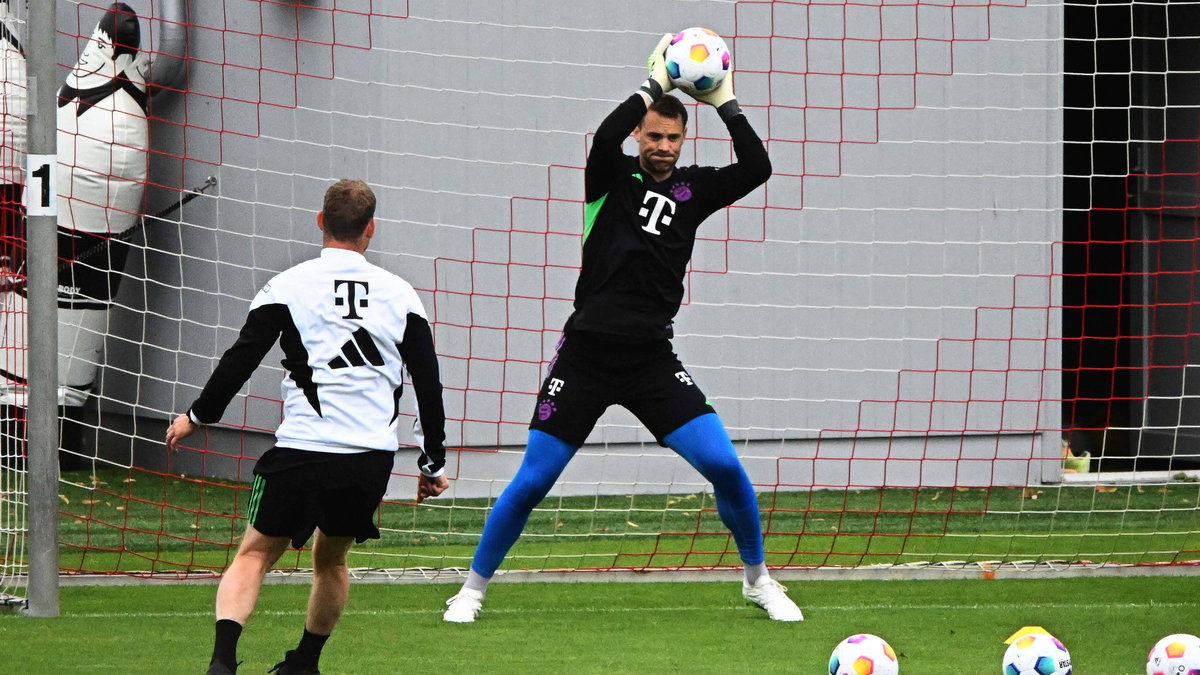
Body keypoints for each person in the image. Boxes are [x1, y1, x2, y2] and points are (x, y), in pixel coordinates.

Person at [442, 35, 803, 623]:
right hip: (585, 356)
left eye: (672, 137)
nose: (662, 146)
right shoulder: (608, 174)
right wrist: (656, 85)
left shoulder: (694, 189)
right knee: (533, 480)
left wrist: (726, 101)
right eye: (654, 135)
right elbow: (605, 136)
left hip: (650, 361)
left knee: (726, 467)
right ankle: (473, 590)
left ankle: (758, 579)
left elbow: (758, 167)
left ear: (684, 140)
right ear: (640, 135)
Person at [165, 179, 451, 674]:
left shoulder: (288, 285)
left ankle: (222, 664)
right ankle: (304, 664)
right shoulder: (402, 296)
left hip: (301, 451)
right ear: (371, 230)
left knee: (254, 554)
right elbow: (429, 384)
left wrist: (197, 416)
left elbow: (241, 359)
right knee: (332, 559)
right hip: (367, 460)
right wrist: (432, 462)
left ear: (320, 222)